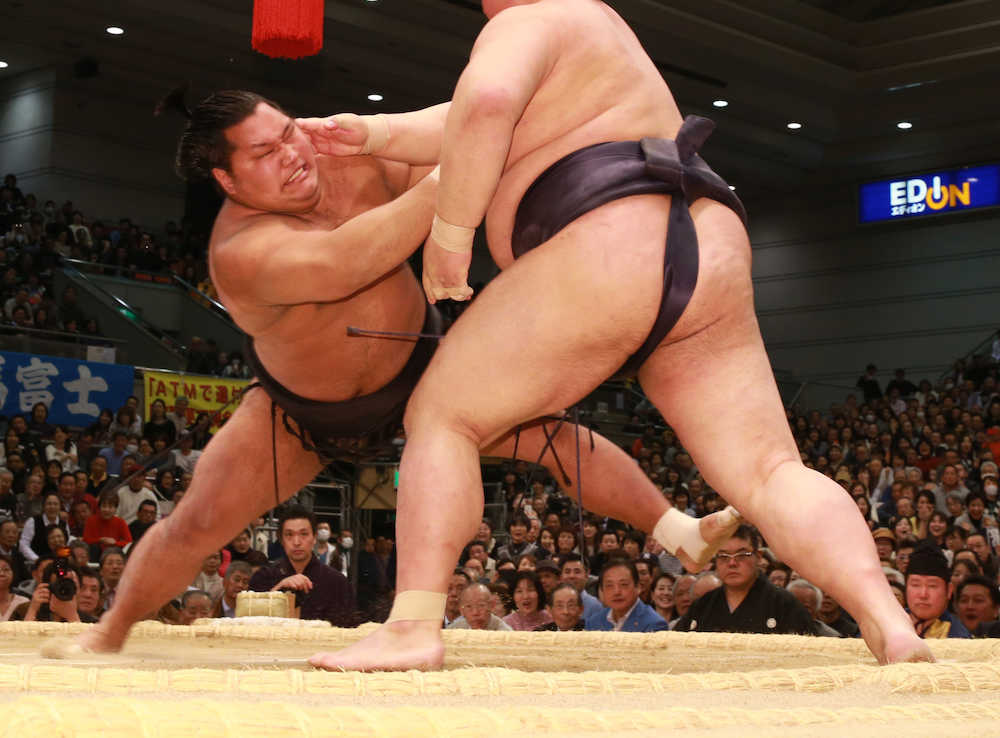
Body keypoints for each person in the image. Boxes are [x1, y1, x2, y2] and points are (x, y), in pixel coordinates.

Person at [299, 0, 927, 669]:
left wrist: (451, 239)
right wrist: (367, 133)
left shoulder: (535, 17)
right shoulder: (599, 39)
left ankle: (411, 629)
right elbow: (466, 116)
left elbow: (487, 103)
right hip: (703, 243)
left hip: (608, 240)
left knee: (444, 414)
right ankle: (888, 623)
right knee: (769, 471)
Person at [63, 88, 736, 660]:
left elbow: (457, 131)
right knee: (197, 522)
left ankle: (676, 528)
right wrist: (457, 173)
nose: (293, 154)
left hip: (422, 372)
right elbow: (347, 259)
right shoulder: (239, 252)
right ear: (229, 181)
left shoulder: (351, 151)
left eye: (289, 133)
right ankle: (109, 633)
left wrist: (471, 141)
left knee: (548, 435)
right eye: (265, 155)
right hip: (301, 413)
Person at [674, 527, 816, 636]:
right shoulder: (703, 605)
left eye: (742, 555)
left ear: (758, 556)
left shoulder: (783, 604)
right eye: (723, 556)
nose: (732, 563)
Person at [248, 505, 355, 625]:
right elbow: (250, 624)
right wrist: (278, 590)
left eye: (304, 534)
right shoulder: (263, 577)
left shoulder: (337, 582)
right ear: (281, 540)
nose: (296, 542)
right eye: (289, 535)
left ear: (314, 538)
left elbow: (346, 631)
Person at [904, 542, 970, 639]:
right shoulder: (889, 623)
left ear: (949, 591)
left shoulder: (958, 637)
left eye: (932, 586)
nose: (923, 594)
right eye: (915, 585)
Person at [584, 559, 667, 632]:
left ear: (638, 587)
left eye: (623, 584)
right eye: (609, 585)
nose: (616, 592)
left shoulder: (654, 624)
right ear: (601, 590)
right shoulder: (593, 622)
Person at [446, 582, 511, 631]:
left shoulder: (505, 633)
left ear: (491, 606)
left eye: (481, 605)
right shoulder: (454, 630)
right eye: (469, 606)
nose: (475, 612)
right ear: (461, 610)